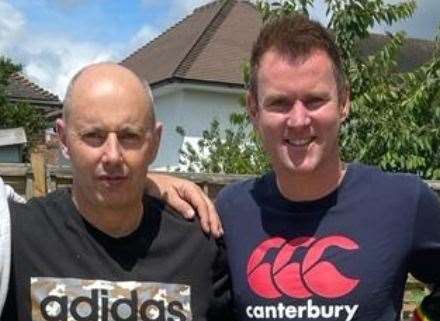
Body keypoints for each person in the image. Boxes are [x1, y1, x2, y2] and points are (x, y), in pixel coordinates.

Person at [214, 14, 440, 321]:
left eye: (314, 100)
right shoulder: (230, 210)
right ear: (253, 108)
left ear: (344, 101)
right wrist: (155, 184)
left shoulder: (403, 201)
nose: (297, 120)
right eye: (279, 103)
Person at [1, 63, 229, 321]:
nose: (112, 155)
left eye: (129, 136)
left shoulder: (198, 246)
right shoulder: (16, 236)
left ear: (154, 142)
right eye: (93, 135)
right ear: (64, 140)